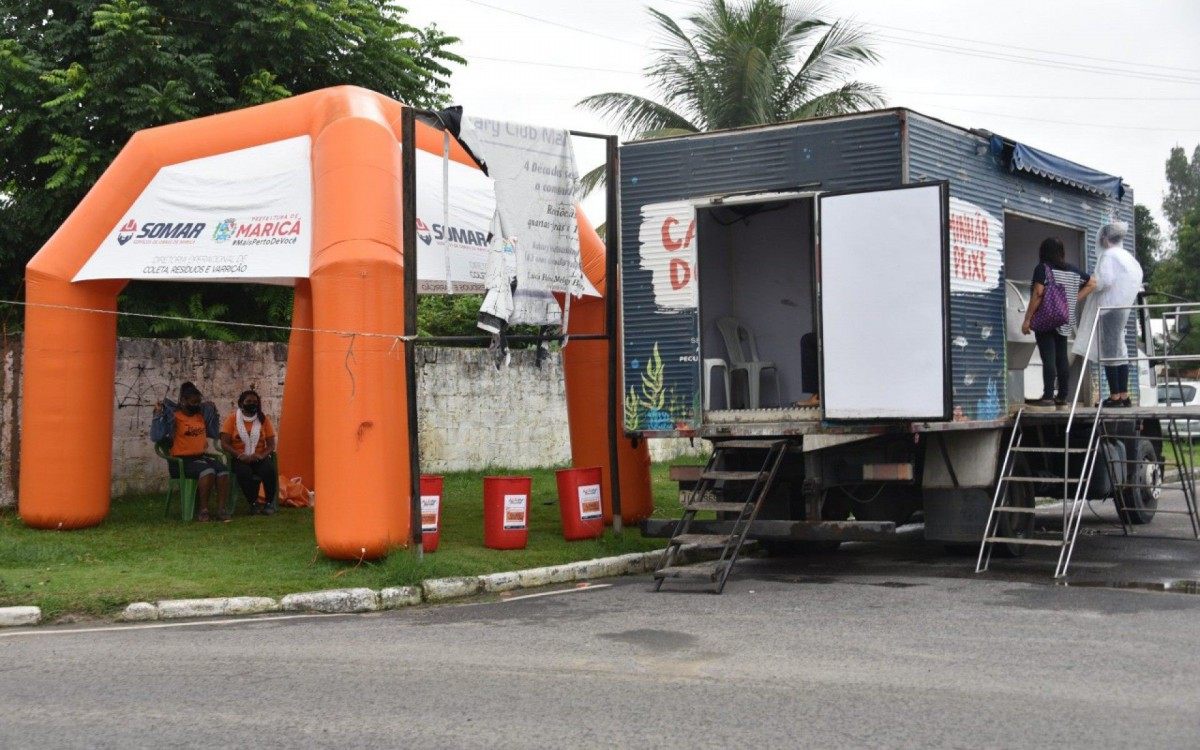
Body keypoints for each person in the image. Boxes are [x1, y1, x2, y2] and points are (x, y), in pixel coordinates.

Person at [1073, 221, 1143, 407]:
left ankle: (1115, 397)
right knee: (1120, 350)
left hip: (1109, 308)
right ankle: (1124, 396)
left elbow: (1103, 280)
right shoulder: (1125, 256)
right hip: (1121, 308)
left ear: (1105, 238)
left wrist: (1084, 287)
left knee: (1110, 352)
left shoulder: (1109, 255)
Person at [1021, 237, 1096, 408]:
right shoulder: (1072, 270)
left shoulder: (1043, 268)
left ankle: (1048, 397)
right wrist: (1073, 300)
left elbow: (1038, 293)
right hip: (1064, 318)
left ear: (1043, 252)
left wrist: (1027, 319)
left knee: (1048, 357)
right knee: (1062, 358)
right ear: (1061, 252)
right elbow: (1092, 283)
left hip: (1045, 318)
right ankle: (1062, 397)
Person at [150, 382, 231, 522]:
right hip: (181, 462)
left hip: (200, 457)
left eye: (198, 402)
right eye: (193, 402)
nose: (196, 405)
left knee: (223, 470)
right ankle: (203, 510)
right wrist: (158, 415)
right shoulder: (174, 417)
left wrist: (213, 412)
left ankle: (221, 509)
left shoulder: (200, 416)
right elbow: (156, 436)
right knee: (208, 471)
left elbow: (213, 433)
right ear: (183, 401)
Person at [220, 389, 279, 515]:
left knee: (269, 470)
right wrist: (240, 455)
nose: (252, 404)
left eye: (255, 402)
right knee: (244, 472)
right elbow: (224, 443)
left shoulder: (263, 419)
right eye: (249, 401)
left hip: (259, 457)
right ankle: (253, 503)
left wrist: (261, 456)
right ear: (241, 403)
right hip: (239, 457)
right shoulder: (232, 419)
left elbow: (271, 445)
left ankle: (269, 503)